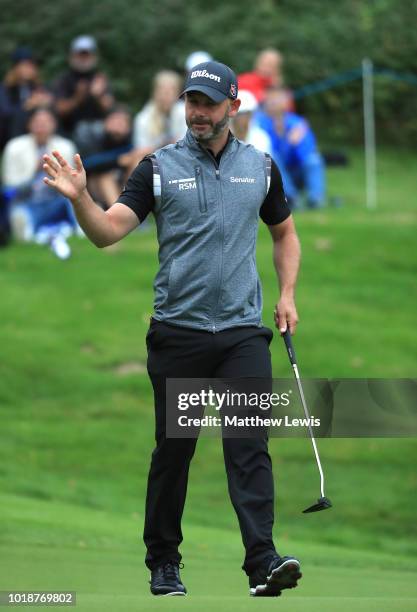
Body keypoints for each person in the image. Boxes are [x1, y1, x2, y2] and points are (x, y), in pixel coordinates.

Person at [42, 60, 302, 597]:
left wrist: (287, 294)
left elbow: (284, 234)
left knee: (248, 445)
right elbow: (108, 232)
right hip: (178, 334)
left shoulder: (261, 167)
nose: (197, 112)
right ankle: (163, 561)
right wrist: (81, 200)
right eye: (191, 102)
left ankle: (263, 561)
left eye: (208, 103)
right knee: (175, 450)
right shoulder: (156, 167)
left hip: (240, 334)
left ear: (233, 106)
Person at [2, 107, 78, 258]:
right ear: (29, 125)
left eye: (46, 122)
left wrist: (56, 177)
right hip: (26, 202)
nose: (41, 126)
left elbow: (74, 183)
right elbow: (9, 187)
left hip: (55, 200)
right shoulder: (14, 147)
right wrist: (35, 172)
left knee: (75, 202)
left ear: (54, 125)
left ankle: (76, 231)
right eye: (37, 122)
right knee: (22, 225)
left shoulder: (65, 146)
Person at [257, 86, 326, 209]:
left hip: (297, 172)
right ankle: (291, 198)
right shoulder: (260, 122)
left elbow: (307, 153)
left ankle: (315, 199)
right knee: (273, 158)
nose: (272, 103)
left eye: (277, 99)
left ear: (286, 102)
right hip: (272, 176)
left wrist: (294, 145)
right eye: (270, 100)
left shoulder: (297, 123)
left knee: (314, 160)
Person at [53, 36, 114, 146]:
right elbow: (59, 109)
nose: (84, 58)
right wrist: (77, 97)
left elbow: (110, 107)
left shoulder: (100, 78)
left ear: (94, 56)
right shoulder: (63, 80)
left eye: (87, 55)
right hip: (70, 131)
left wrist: (98, 96)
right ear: (72, 56)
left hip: (99, 130)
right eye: (80, 55)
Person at [0, 46, 53, 146]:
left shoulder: (38, 87)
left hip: (35, 131)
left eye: (31, 65)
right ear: (15, 68)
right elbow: (5, 113)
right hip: (10, 134)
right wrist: (27, 106)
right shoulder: (5, 88)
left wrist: (46, 102)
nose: (29, 69)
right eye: (24, 65)